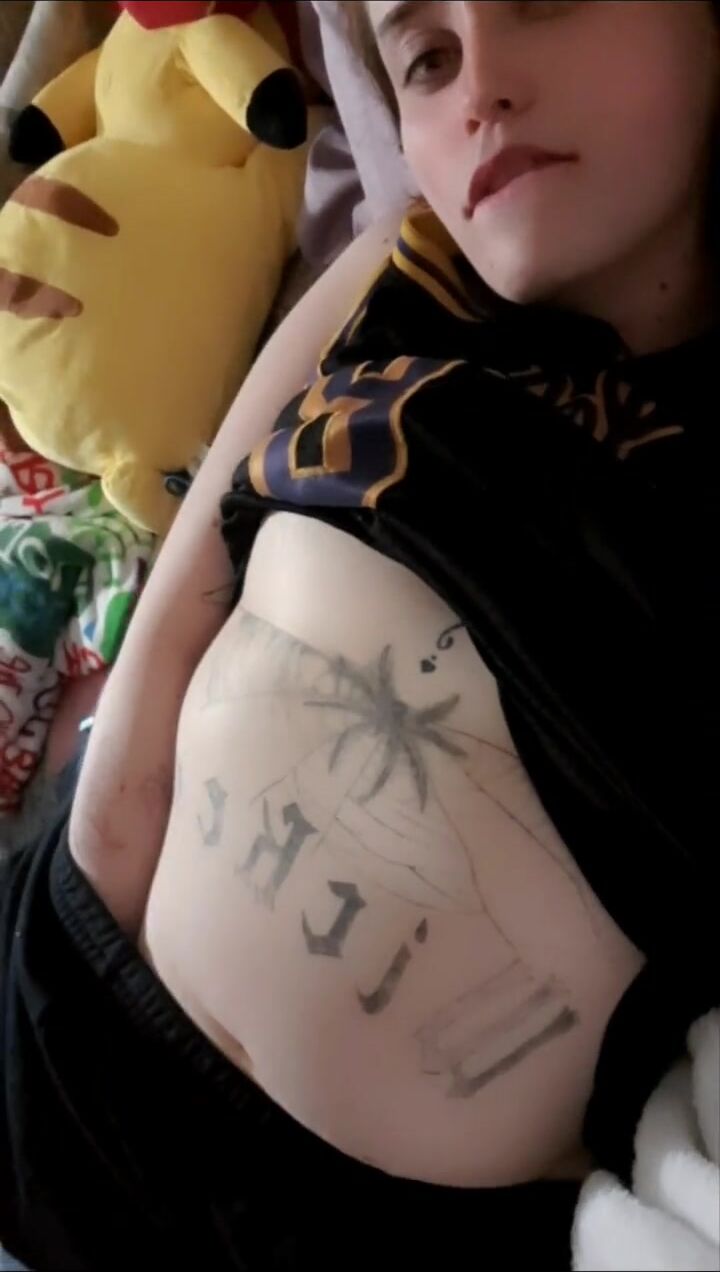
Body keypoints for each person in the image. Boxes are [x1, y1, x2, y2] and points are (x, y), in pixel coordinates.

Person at [1, 2, 718, 1267]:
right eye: (425, 57)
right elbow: (198, 559)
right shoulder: (405, 276)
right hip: (69, 994)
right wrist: (103, 830)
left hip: (366, 1228)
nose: (479, 84)